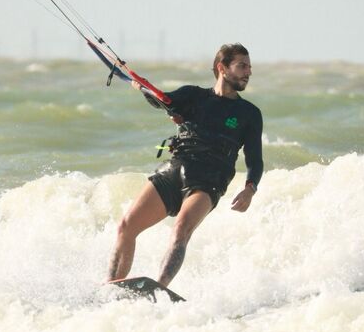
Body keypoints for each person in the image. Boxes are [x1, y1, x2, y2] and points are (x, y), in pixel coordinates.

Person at [107, 43, 263, 288]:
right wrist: (144, 87)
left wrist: (250, 188)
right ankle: (111, 286)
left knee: (181, 229)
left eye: (249, 67)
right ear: (222, 68)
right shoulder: (193, 95)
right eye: (242, 66)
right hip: (175, 168)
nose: (249, 72)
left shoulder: (249, 113)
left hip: (208, 181)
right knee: (126, 227)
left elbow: (255, 158)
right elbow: (163, 100)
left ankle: (160, 287)